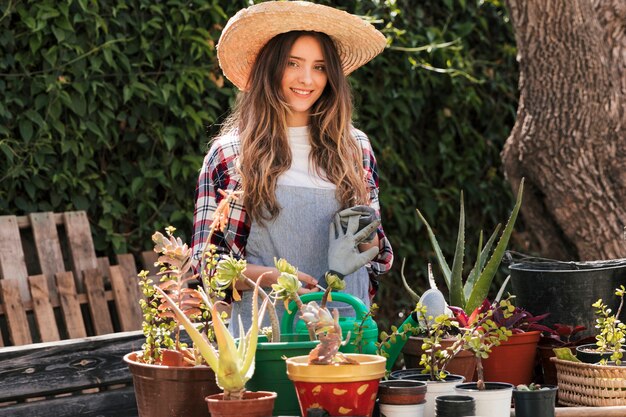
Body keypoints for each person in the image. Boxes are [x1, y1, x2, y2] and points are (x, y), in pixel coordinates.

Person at [191, 1, 393, 334]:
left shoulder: (354, 148)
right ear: (270, 68)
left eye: (320, 67)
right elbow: (207, 268)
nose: (307, 79)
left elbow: (378, 255)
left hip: (348, 332)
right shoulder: (231, 155)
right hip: (269, 339)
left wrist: (361, 245)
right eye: (293, 63)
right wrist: (274, 277)